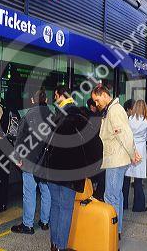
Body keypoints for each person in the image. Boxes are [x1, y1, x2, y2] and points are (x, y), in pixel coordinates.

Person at [40, 85, 102, 251]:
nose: (54, 98)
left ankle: (54, 245)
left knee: (55, 206)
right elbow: (95, 145)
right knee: (66, 209)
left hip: (53, 170)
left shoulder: (55, 117)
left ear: (60, 95)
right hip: (71, 172)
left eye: (55, 95)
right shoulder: (80, 116)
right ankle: (61, 246)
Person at [91, 85, 140, 238]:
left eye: (97, 100)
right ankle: (116, 229)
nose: (96, 104)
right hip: (117, 158)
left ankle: (111, 231)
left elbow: (124, 135)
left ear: (105, 95)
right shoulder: (112, 110)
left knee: (111, 196)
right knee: (116, 195)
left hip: (116, 160)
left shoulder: (115, 110)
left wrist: (133, 154)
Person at [11, 89, 52, 235]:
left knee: (29, 192)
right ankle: (45, 222)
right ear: (46, 100)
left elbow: (20, 137)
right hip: (45, 161)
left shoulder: (29, 115)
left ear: (33, 101)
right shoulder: (52, 116)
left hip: (29, 160)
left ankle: (28, 225)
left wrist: (17, 157)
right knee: (46, 191)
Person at [123, 100, 147, 212]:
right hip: (140, 150)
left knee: (126, 178)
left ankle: (124, 204)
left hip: (130, 149)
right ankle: (138, 206)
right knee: (138, 180)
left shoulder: (129, 119)